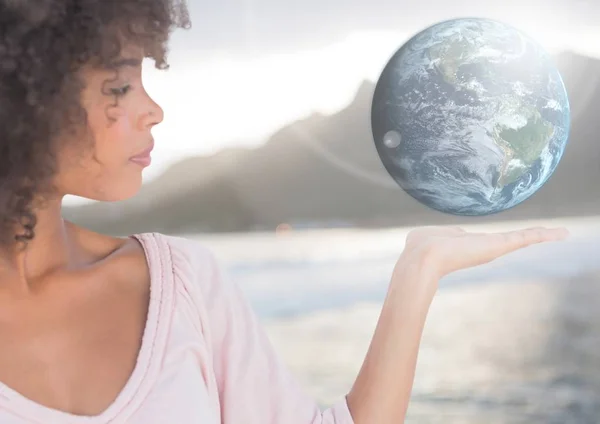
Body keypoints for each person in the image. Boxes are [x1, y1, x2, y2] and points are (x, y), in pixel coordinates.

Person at [0, 0, 569, 423]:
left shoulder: (179, 285)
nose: (154, 110)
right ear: (27, 92)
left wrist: (419, 271)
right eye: (119, 86)